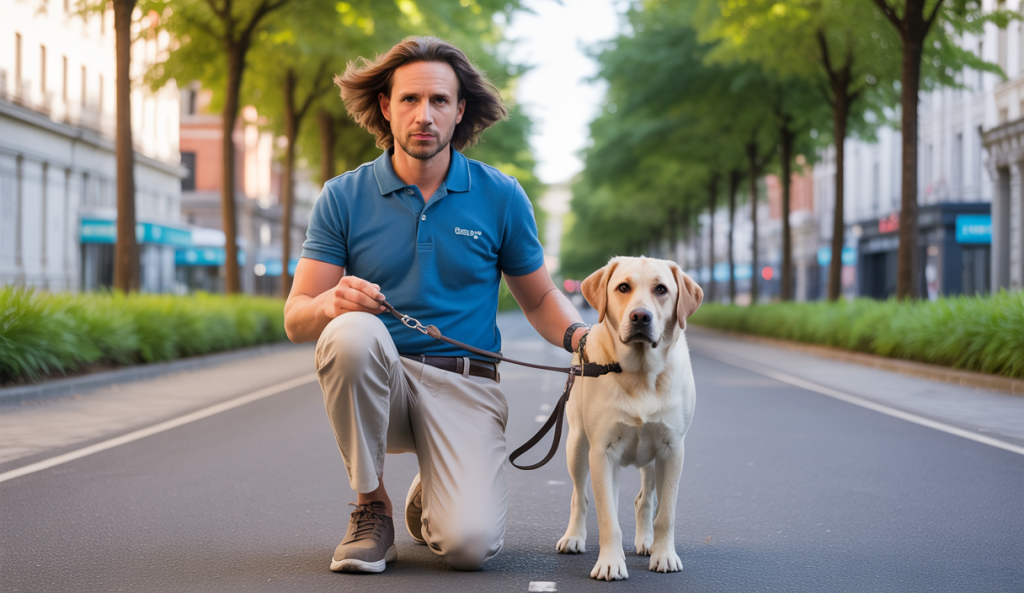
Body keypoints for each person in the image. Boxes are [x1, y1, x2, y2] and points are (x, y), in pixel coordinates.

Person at [283, 36, 588, 574]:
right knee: (351, 334)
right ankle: (370, 507)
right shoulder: (342, 196)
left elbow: (539, 296)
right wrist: (331, 301)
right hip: (382, 384)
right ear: (386, 106)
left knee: (469, 547)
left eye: (439, 101)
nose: (424, 115)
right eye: (409, 99)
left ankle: (433, 494)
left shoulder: (501, 196)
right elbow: (296, 316)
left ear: (459, 110)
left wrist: (580, 340)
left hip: (467, 386)